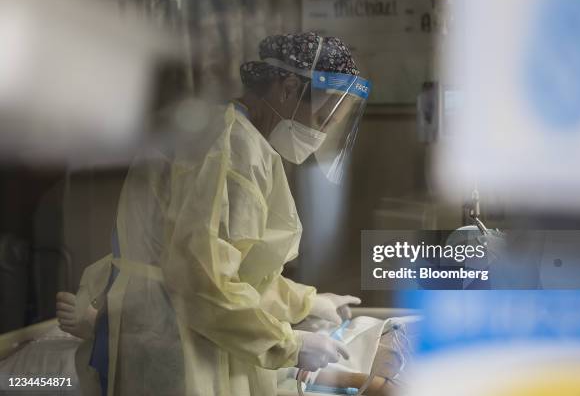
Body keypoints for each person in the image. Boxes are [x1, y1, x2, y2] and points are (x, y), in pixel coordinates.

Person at [56, 32, 371, 396]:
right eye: (321, 118)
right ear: (286, 88)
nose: (319, 133)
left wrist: (306, 302)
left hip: (174, 325)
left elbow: (234, 270)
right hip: (177, 337)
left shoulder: (227, 130)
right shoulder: (233, 145)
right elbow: (205, 282)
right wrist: (290, 344)